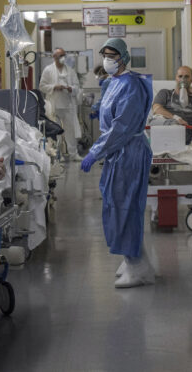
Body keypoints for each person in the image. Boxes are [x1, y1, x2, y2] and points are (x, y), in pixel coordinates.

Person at [79, 37, 155, 288]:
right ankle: (135, 259)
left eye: (112, 56)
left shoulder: (131, 86)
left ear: (122, 58)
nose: (107, 60)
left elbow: (120, 128)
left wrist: (95, 152)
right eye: (105, 55)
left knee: (126, 208)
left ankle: (137, 268)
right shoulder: (114, 82)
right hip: (119, 153)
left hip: (129, 151)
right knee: (117, 205)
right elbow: (108, 110)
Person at [39, 47, 82, 160]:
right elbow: (42, 86)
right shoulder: (48, 70)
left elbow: (77, 86)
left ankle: (73, 153)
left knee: (70, 130)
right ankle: (58, 154)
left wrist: (70, 88)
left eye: (64, 55)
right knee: (56, 130)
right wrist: (54, 87)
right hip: (54, 105)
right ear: (54, 57)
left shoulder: (70, 70)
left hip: (68, 105)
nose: (63, 58)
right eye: (60, 56)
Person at [151, 65, 192, 139]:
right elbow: (156, 109)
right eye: (180, 76)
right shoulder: (165, 93)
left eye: (187, 77)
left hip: (185, 130)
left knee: (182, 130)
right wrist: (175, 118)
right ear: (176, 78)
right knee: (154, 123)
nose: (183, 79)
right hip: (165, 127)